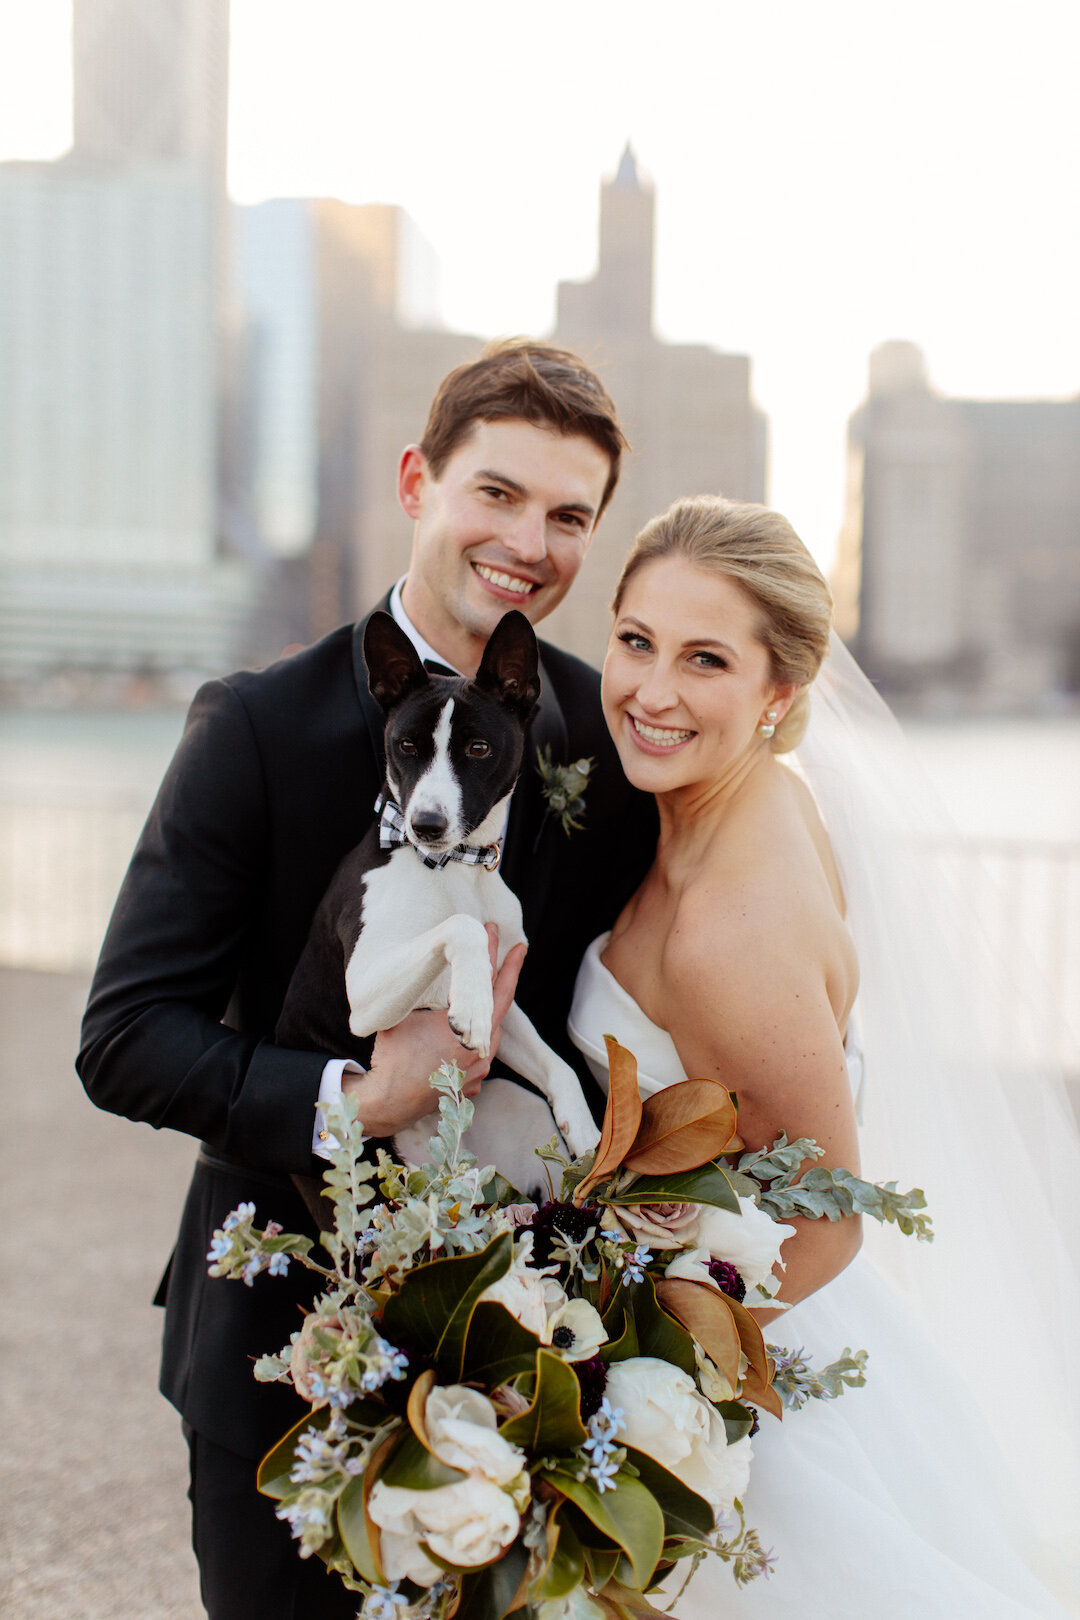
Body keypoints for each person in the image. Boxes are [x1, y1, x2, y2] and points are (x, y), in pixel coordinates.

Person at [76, 340, 657, 1620]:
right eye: (495, 493)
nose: (529, 542)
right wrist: (363, 1096)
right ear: (415, 482)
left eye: (569, 516)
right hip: (281, 1350)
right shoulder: (256, 727)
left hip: (528, 1363)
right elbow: (125, 1038)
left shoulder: (600, 737)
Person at [567, 495, 1080, 1617]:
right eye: (635, 641)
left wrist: (622, 1388)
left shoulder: (724, 935)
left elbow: (828, 1222)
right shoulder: (764, 802)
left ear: (779, 692)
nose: (651, 692)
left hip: (749, 1402)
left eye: (706, 660)